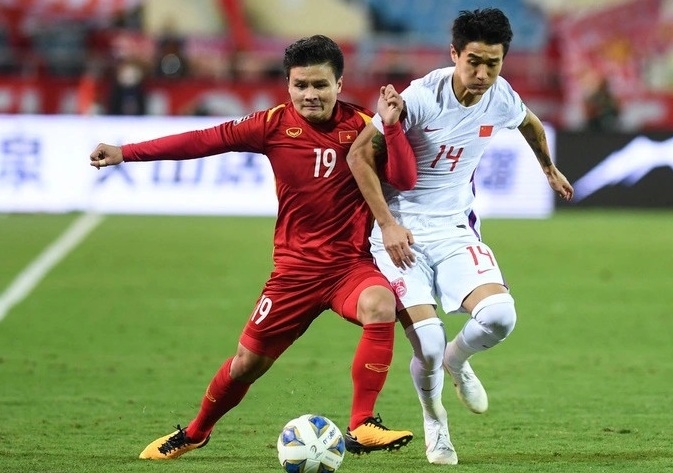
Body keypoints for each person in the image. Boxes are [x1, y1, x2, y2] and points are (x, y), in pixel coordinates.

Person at [89, 34, 414, 460]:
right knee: (246, 364)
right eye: (300, 85)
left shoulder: (365, 127)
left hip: (348, 268)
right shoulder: (272, 125)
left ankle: (362, 423)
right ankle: (195, 432)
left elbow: (404, 178)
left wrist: (392, 127)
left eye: (320, 85)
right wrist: (126, 152)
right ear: (287, 84)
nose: (310, 95)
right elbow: (202, 140)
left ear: (339, 83)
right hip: (293, 274)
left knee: (380, 304)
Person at [347, 9, 574, 465]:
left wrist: (548, 168)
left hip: (454, 229)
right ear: (454, 54)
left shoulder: (500, 95)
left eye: (493, 63)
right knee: (427, 344)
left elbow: (529, 122)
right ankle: (435, 421)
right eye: (474, 61)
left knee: (500, 317)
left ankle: (458, 359)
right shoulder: (420, 98)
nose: (483, 73)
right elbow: (358, 156)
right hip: (403, 233)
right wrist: (387, 224)